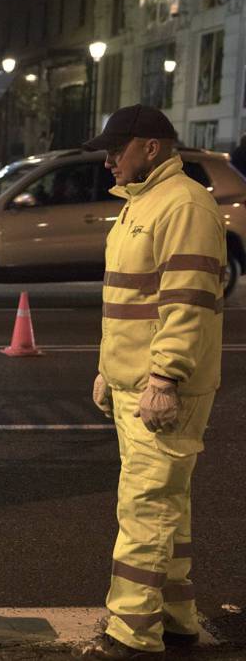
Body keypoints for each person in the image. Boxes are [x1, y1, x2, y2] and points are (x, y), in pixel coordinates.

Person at [81, 105, 226, 660]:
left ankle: (132, 632)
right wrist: (110, 370)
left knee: (145, 506)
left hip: (161, 388)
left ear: (151, 147)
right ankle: (173, 617)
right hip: (137, 383)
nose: (108, 161)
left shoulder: (183, 206)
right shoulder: (144, 203)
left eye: (116, 150)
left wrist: (164, 377)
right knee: (167, 506)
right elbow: (132, 303)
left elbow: (186, 305)